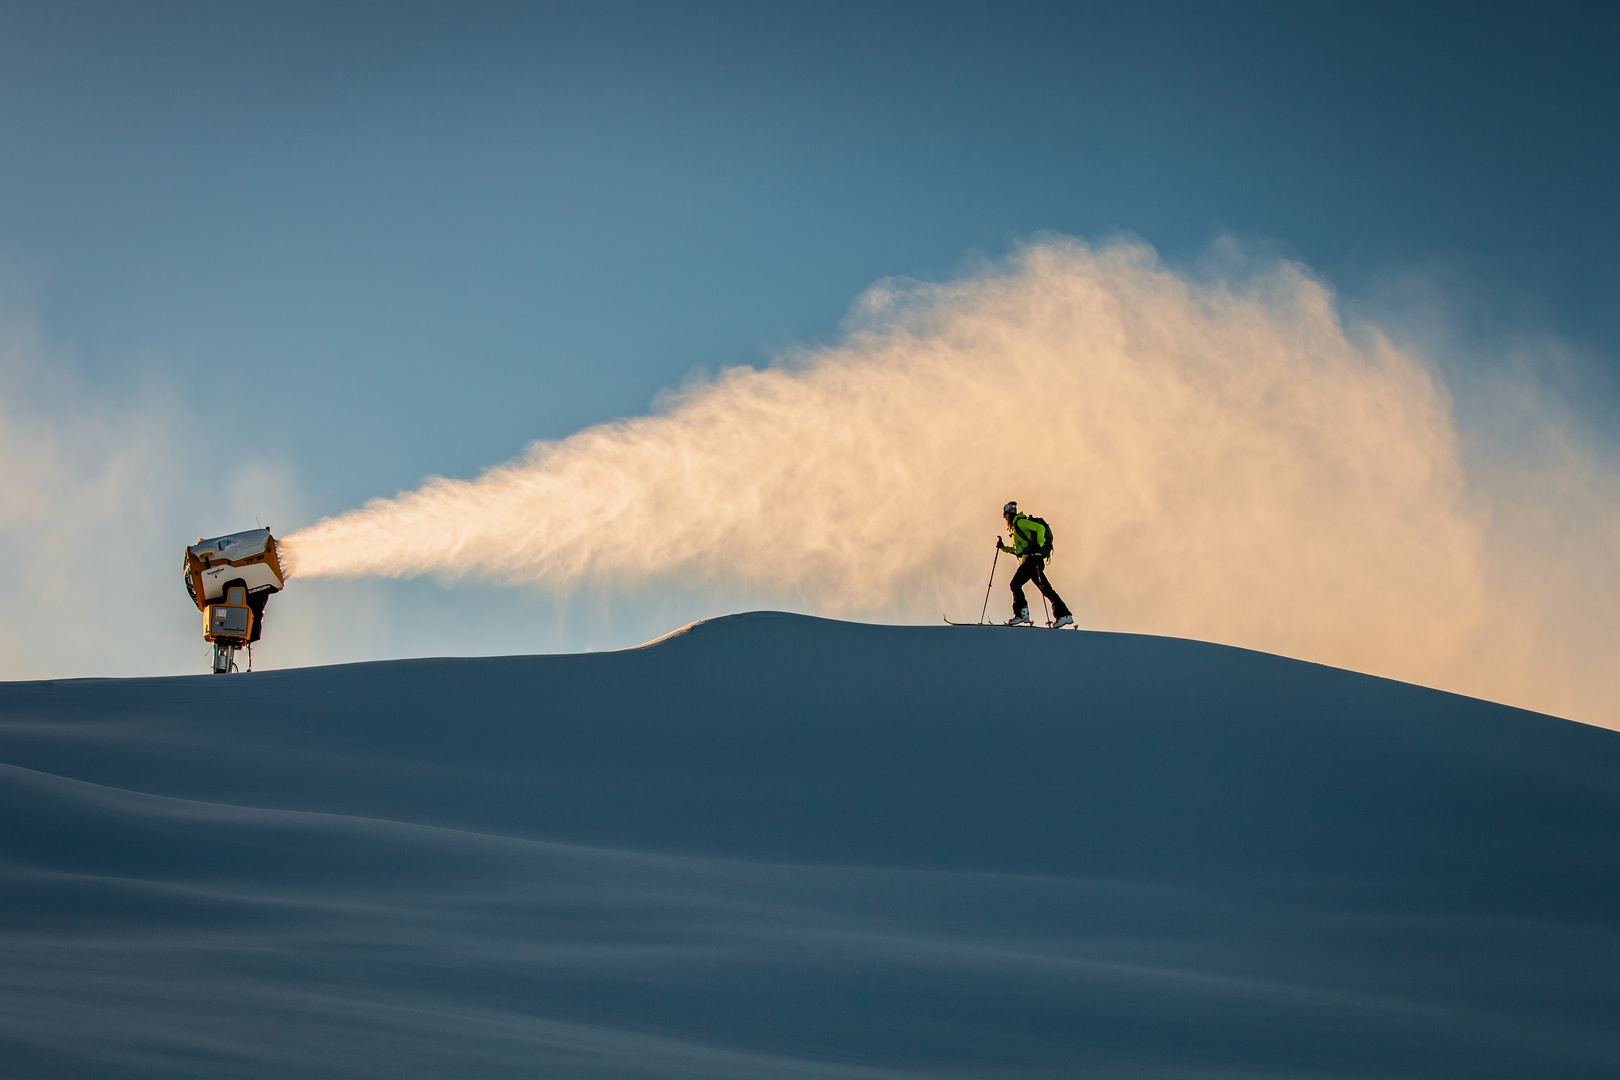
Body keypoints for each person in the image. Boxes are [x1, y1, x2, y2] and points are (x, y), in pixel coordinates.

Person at [997, 501, 1074, 628]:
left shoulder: (1020, 522)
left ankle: (1021, 614)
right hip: (1031, 560)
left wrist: (1038, 545)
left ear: (1008, 514)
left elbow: (1040, 528)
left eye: (1005, 515)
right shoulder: (1015, 529)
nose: (1004, 518)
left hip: (1033, 560)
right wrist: (1003, 547)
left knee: (1015, 584)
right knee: (1046, 590)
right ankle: (1064, 615)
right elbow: (1019, 551)